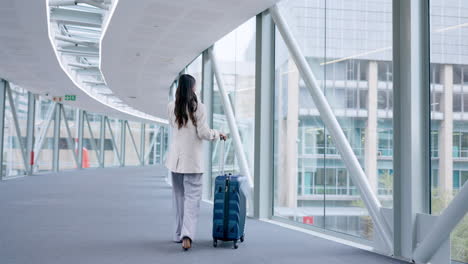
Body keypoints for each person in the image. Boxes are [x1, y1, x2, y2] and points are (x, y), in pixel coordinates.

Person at [165, 74, 227, 251]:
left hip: (175, 161)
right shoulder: (198, 107)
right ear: (193, 87)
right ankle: (187, 235)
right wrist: (217, 134)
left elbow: (173, 125)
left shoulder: (171, 107)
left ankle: (178, 234)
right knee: (192, 199)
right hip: (192, 161)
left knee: (179, 198)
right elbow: (203, 133)